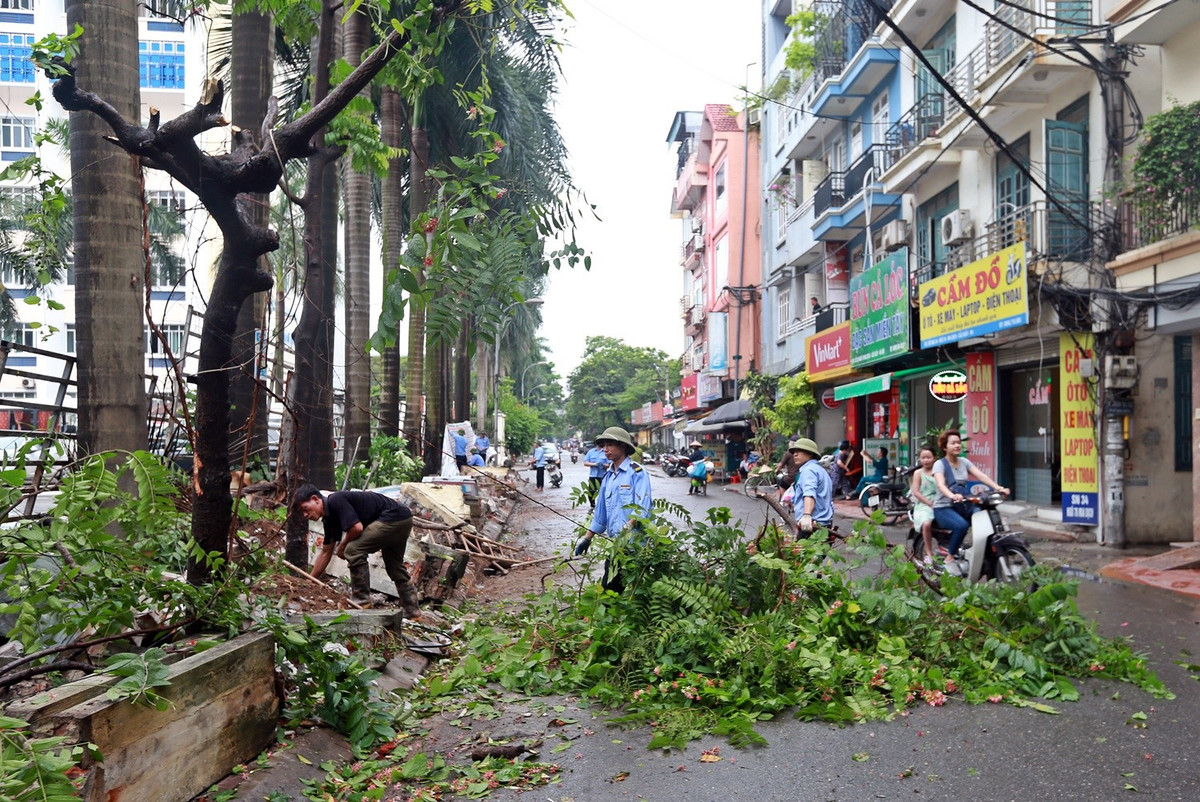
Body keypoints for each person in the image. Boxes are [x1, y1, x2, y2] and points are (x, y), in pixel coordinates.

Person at [294, 484, 420, 616]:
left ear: (316, 499)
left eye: (305, 509)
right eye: (302, 513)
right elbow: (326, 552)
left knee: (352, 550)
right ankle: (412, 611)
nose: (305, 515)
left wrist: (342, 547)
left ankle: (361, 602)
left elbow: (357, 528)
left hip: (392, 517)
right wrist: (310, 580)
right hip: (404, 518)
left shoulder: (335, 500)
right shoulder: (329, 519)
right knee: (395, 566)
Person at [573, 426, 652, 592]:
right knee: (609, 592)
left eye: (610, 444)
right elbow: (600, 514)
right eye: (603, 445)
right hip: (617, 547)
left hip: (636, 548)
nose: (605, 449)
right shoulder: (608, 477)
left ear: (622, 446)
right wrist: (587, 538)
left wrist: (629, 526)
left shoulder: (637, 472)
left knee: (634, 594)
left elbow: (641, 507)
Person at [932, 429, 1009, 557]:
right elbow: (940, 485)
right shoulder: (939, 464)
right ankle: (950, 558)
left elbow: (981, 476)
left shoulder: (964, 462)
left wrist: (999, 488)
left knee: (984, 517)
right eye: (953, 443)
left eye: (958, 442)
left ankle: (984, 552)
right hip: (944, 507)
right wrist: (952, 495)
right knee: (962, 526)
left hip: (962, 505)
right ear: (945, 447)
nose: (957, 445)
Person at [789, 438, 834, 534]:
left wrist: (807, 515)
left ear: (810, 454)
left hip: (811, 525)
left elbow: (809, 493)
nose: (795, 454)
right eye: (794, 452)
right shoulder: (820, 470)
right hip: (825, 524)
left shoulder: (808, 470)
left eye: (799, 451)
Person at [909, 445, 939, 566]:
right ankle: (929, 553)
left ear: (935, 458)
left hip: (939, 502)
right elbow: (916, 492)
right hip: (924, 504)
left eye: (928, 457)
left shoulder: (939, 472)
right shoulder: (918, 473)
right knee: (927, 524)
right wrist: (929, 503)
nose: (926, 460)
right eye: (923, 457)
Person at [583, 440, 609, 509]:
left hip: (602, 476)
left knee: (602, 492)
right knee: (591, 492)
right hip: (593, 476)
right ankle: (592, 505)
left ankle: (602, 506)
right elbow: (585, 463)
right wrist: (594, 464)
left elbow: (610, 464)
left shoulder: (606, 452)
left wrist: (603, 465)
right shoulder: (591, 452)